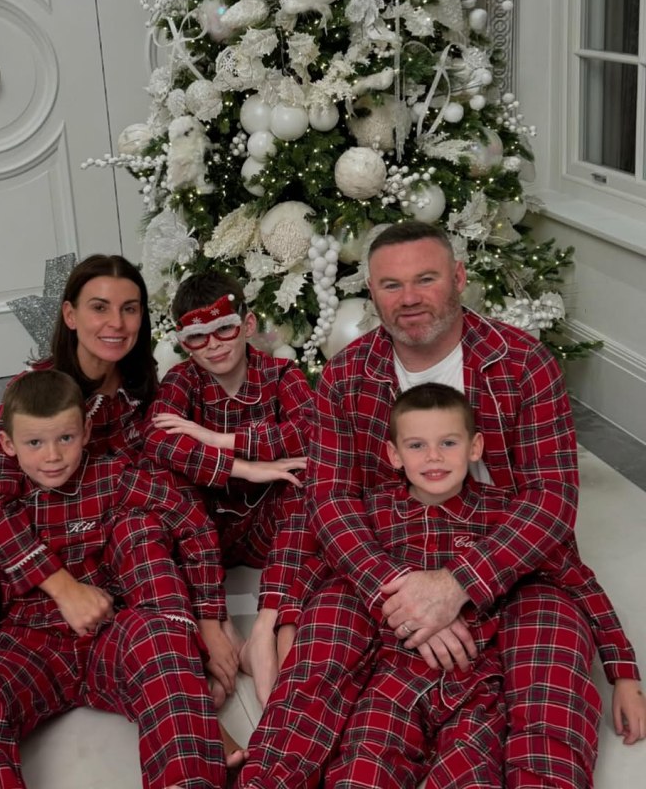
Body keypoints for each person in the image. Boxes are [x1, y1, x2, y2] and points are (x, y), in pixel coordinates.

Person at [240, 220, 627, 789]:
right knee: (319, 660)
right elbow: (330, 498)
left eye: (426, 278)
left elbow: (551, 499)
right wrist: (394, 591)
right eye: (391, 285)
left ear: (460, 278)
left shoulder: (522, 363)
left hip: (509, 560)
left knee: (550, 677)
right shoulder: (347, 376)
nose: (410, 298)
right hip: (388, 556)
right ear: (371, 294)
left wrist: (456, 586)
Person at [0, 255, 236, 787]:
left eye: (129, 308)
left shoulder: (143, 387)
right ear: (70, 315)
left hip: (120, 550)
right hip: (41, 566)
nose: (116, 323)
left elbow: (177, 500)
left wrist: (208, 616)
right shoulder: (34, 396)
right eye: (99, 308)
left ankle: (186, 708)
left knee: (143, 532)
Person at [314, 383, 644, 789]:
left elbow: (578, 581)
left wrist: (624, 674)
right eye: (417, 446)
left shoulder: (504, 514)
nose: (434, 457)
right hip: (395, 676)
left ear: (475, 448)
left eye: (448, 442)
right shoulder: (376, 513)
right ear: (394, 456)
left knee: (472, 774)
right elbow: (333, 567)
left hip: (479, 684)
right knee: (361, 769)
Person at [143, 270, 315, 706]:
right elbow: (157, 440)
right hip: (204, 532)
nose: (215, 344)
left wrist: (217, 439)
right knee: (164, 483)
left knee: (307, 477)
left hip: (266, 528)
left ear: (248, 324)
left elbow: (311, 429)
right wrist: (245, 468)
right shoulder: (183, 381)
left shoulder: (281, 374)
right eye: (199, 337)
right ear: (184, 343)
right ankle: (212, 620)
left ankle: (266, 627)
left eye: (225, 328)